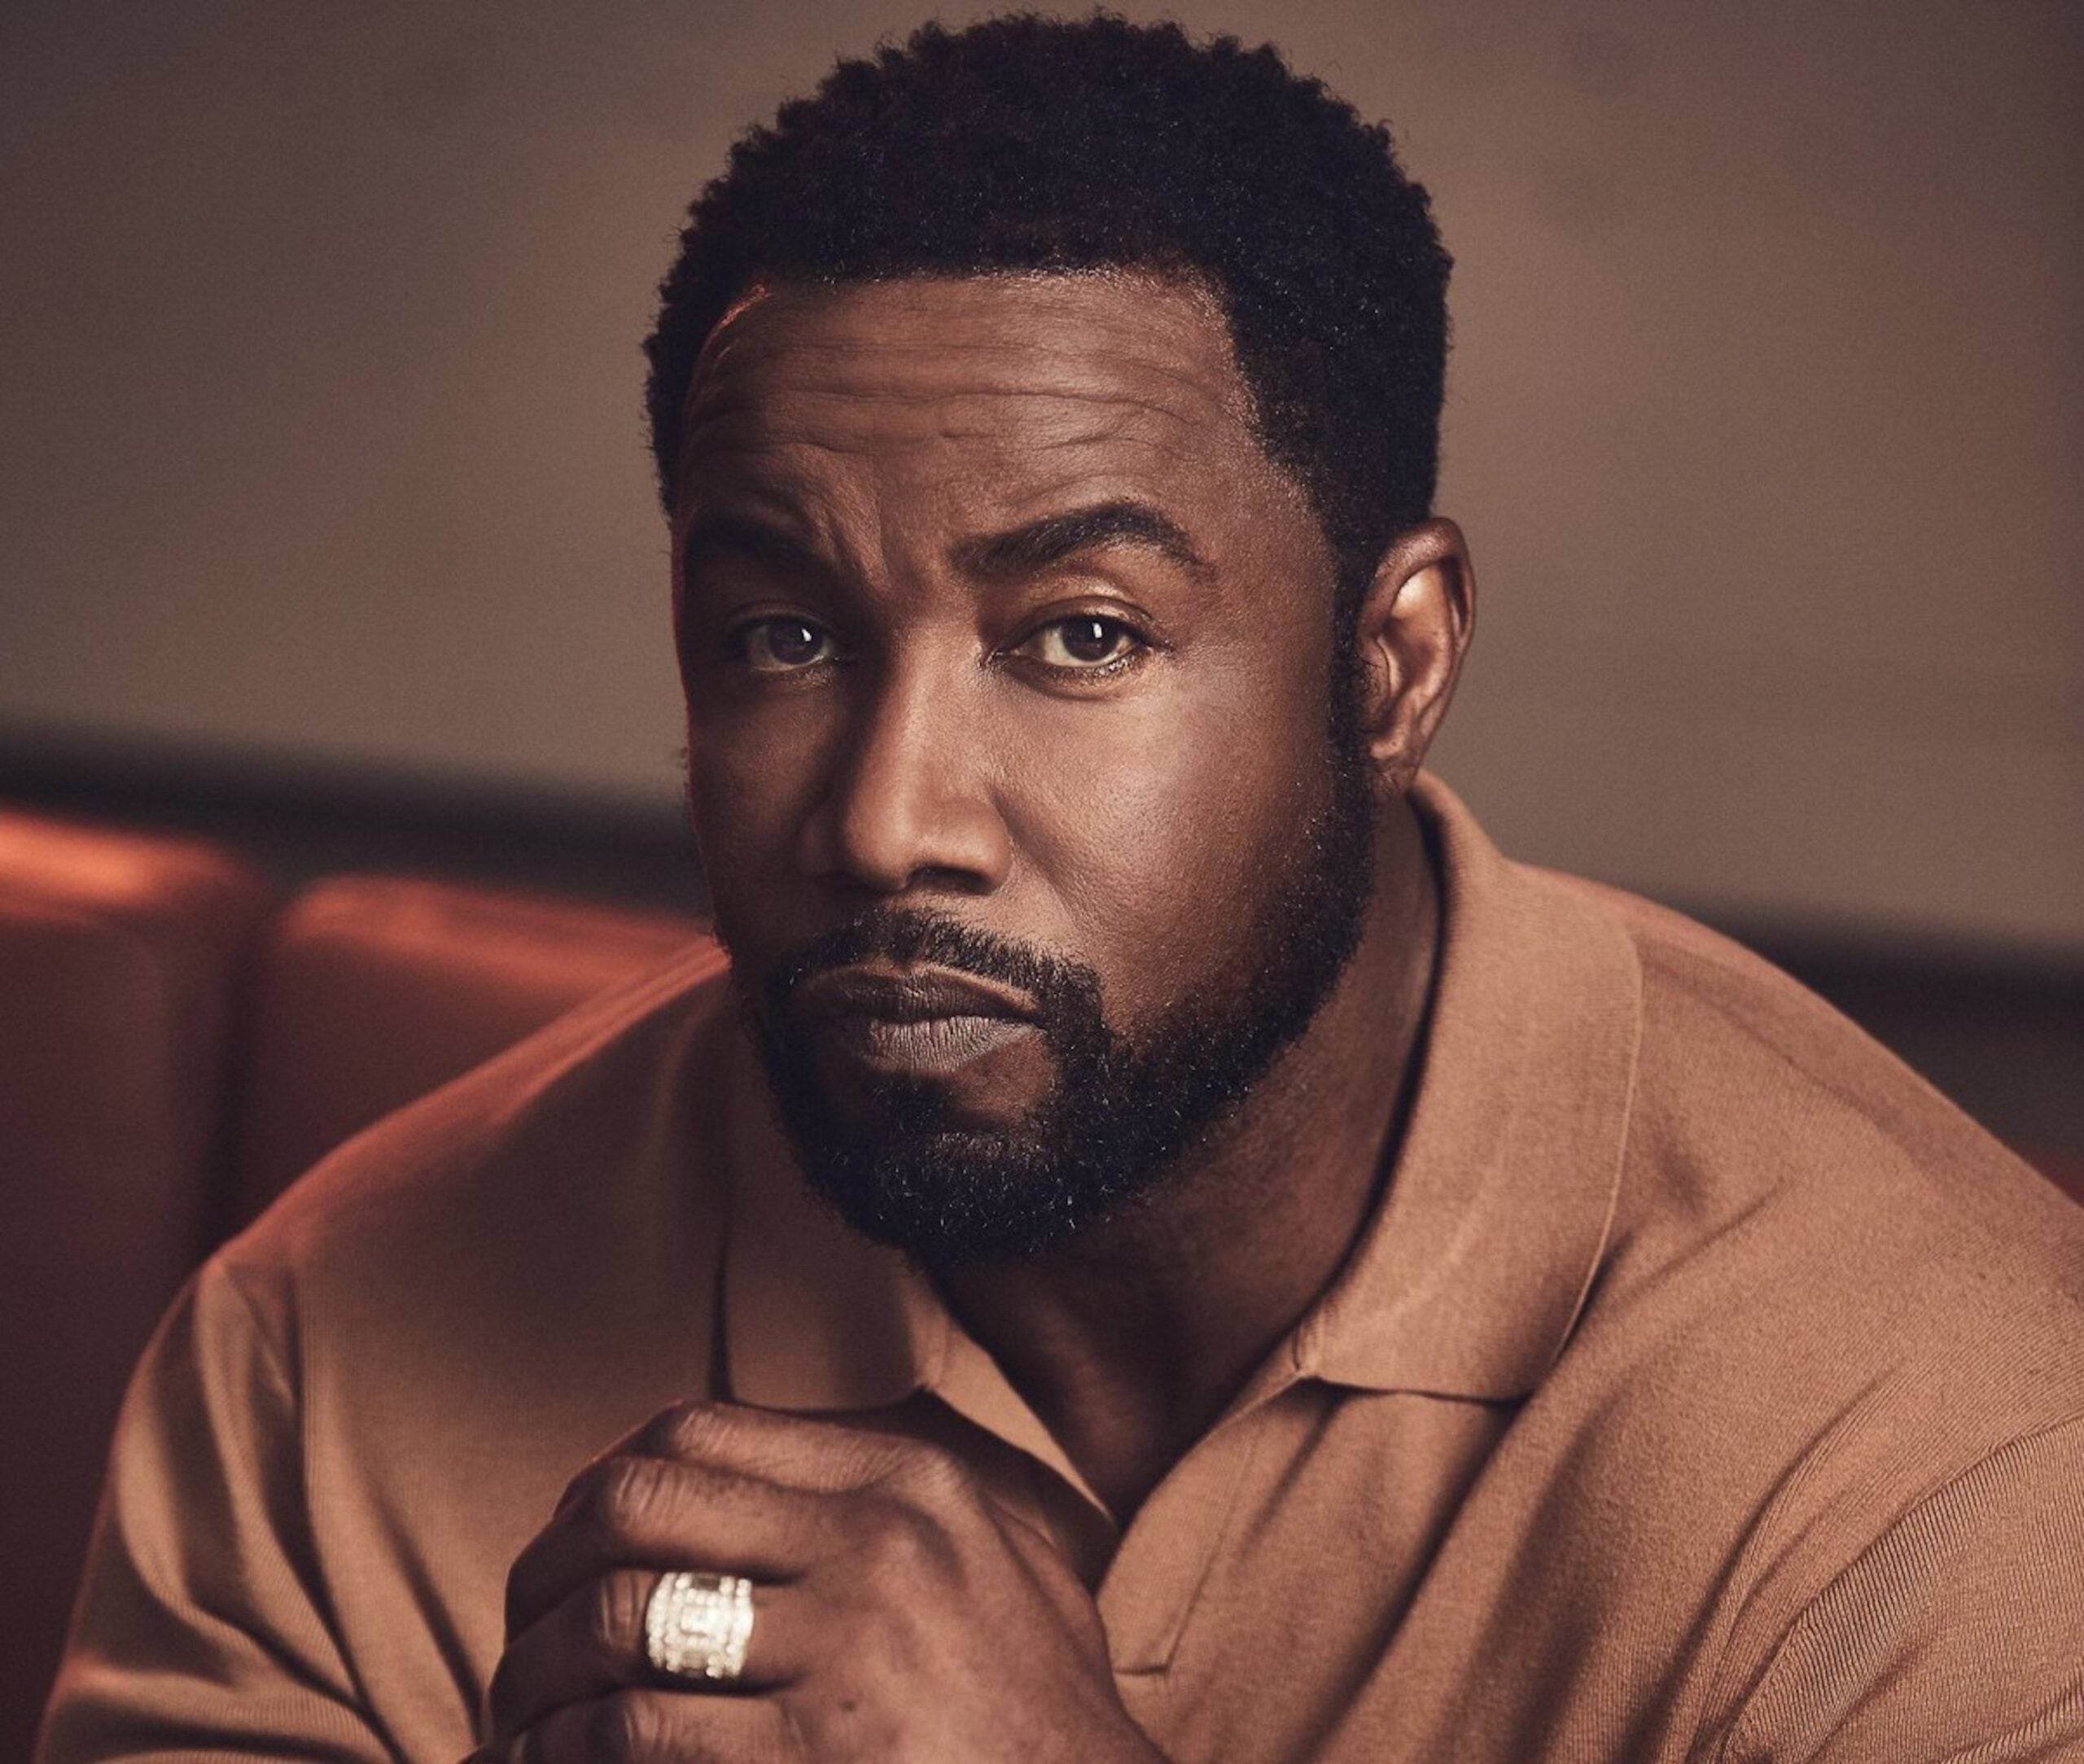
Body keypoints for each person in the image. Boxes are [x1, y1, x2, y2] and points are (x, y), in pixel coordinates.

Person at [39, 15, 2084, 1763]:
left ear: (1391, 663)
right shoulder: (327, 1354)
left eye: (1079, 635)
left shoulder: (1949, 1448)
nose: (882, 820)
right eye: (783, 636)